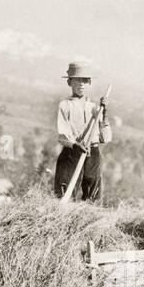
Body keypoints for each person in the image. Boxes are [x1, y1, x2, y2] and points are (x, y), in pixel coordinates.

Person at [53, 59, 112, 201]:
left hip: (93, 153)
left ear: (89, 83)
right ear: (69, 82)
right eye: (77, 80)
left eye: (85, 81)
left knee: (93, 194)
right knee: (64, 192)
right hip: (72, 153)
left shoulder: (95, 108)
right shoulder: (65, 106)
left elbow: (106, 138)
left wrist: (104, 112)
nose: (81, 84)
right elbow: (62, 136)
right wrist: (74, 145)